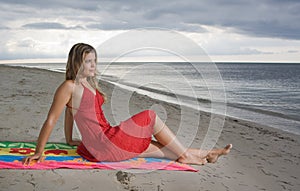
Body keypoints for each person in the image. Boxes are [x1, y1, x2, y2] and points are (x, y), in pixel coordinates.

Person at [23, 43, 232, 166]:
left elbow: (70, 114)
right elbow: (52, 119)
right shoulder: (69, 86)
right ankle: (187, 156)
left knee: (162, 147)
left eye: (94, 60)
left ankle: (207, 153)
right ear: (76, 62)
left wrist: (70, 139)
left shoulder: (87, 84)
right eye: (88, 61)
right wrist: (39, 151)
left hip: (102, 144)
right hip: (105, 143)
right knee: (150, 116)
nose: (93, 64)